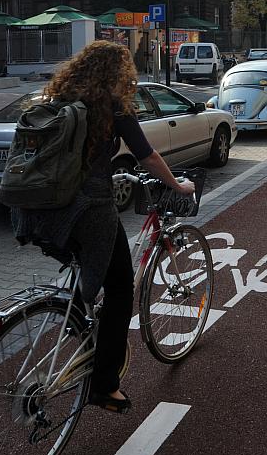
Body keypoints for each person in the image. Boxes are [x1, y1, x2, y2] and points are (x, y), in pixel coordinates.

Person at [11, 40, 195, 413]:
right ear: (118, 74)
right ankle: (105, 385)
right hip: (88, 212)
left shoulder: (57, 99)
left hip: (36, 210)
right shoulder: (112, 106)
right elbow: (147, 155)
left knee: (86, 272)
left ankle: (78, 321)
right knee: (120, 290)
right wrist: (178, 185)